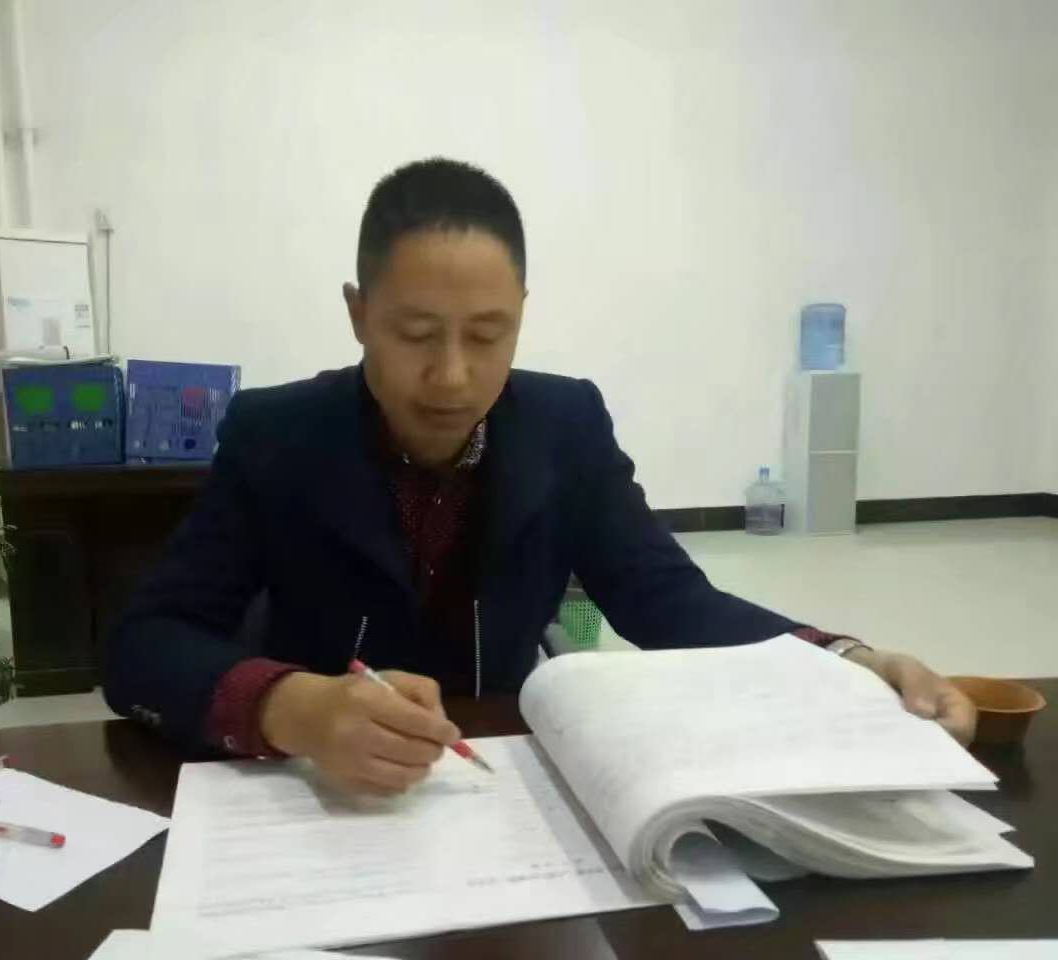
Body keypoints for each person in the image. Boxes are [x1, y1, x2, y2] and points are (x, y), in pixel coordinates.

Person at [107, 158, 976, 795]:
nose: (452, 377)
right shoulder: (277, 435)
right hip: (318, 793)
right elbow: (145, 645)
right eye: (415, 334)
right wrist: (290, 708)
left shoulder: (566, 426)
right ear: (358, 313)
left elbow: (670, 602)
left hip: (506, 782)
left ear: (521, 317)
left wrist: (843, 661)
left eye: (487, 336)